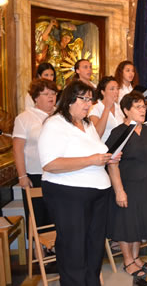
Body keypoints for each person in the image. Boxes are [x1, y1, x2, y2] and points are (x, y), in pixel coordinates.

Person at [38, 80, 120, 285]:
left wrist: (109, 157)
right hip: (68, 194)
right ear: (69, 99)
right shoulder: (54, 123)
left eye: (90, 100)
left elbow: (98, 151)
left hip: (98, 192)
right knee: (74, 248)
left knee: (94, 248)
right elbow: (50, 163)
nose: (88, 104)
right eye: (84, 99)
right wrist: (91, 160)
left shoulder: (87, 124)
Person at [106, 91, 147, 278]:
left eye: (144, 106)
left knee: (140, 223)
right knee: (127, 223)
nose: (143, 110)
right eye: (138, 107)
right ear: (126, 110)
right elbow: (112, 163)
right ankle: (128, 261)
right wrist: (119, 191)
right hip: (127, 184)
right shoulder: (119, 132)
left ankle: (136, 258)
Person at [13, 79, 58, 239]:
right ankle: (41, 252)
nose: (51, 97)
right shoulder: (24, 118)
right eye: (46, 94)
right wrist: (22, 176)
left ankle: (56, 248)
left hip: (58, 173)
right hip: (34, 174)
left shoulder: (60, 116)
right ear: (36, 97)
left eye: (53, 93)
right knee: (38, 215)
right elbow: (18, 149)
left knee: (56, 213)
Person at [89, 76, 124, 143]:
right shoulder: (96, 108)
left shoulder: (120, 108)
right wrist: (107, 108)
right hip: (104, 149)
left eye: (117, 89)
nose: (116, 92)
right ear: (103, 92)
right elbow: (97, 135)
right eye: (112, 89)